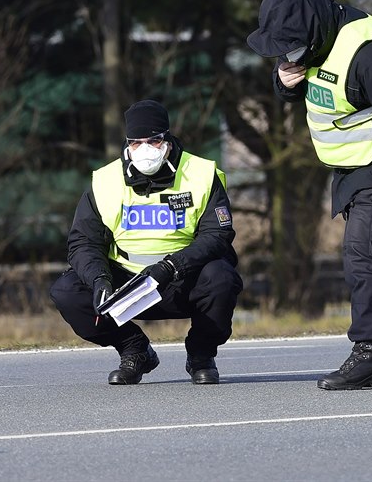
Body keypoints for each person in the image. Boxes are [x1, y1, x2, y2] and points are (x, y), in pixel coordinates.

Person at [246, 0, 372, 390]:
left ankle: (368, 355)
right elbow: (319, 92)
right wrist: (285, 82)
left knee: (367, 258)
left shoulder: (371, 54)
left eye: (291, 51)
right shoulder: (310, 42)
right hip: (351, 169)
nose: (288, 57)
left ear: (311, 36)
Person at [50, 99, 243, 385]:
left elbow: (218, 235)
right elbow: (83, 242)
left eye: (154, 141)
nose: (145, 150)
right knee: (67, 290)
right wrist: (99, 280)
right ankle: (134, 350)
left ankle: (201, 354)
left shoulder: (201, 174)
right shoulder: (104, 181)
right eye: (136, 142)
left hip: (182, 279)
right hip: (126, 286)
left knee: (222, 277)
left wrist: (171, 266)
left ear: (167, 139)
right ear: (127, 143)